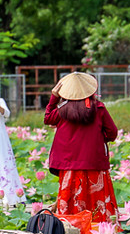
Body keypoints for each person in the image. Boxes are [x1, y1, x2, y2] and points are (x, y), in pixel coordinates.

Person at [44, 72, 120, 224]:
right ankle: (100, 229)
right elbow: (112, 132)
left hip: (69, 163)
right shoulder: (99, 108)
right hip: (94, 161)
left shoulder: (62, 110)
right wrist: (98, 140)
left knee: (71, 199)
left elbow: (47, 118)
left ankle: (71, 228)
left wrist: (54, 97)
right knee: (97, 199)